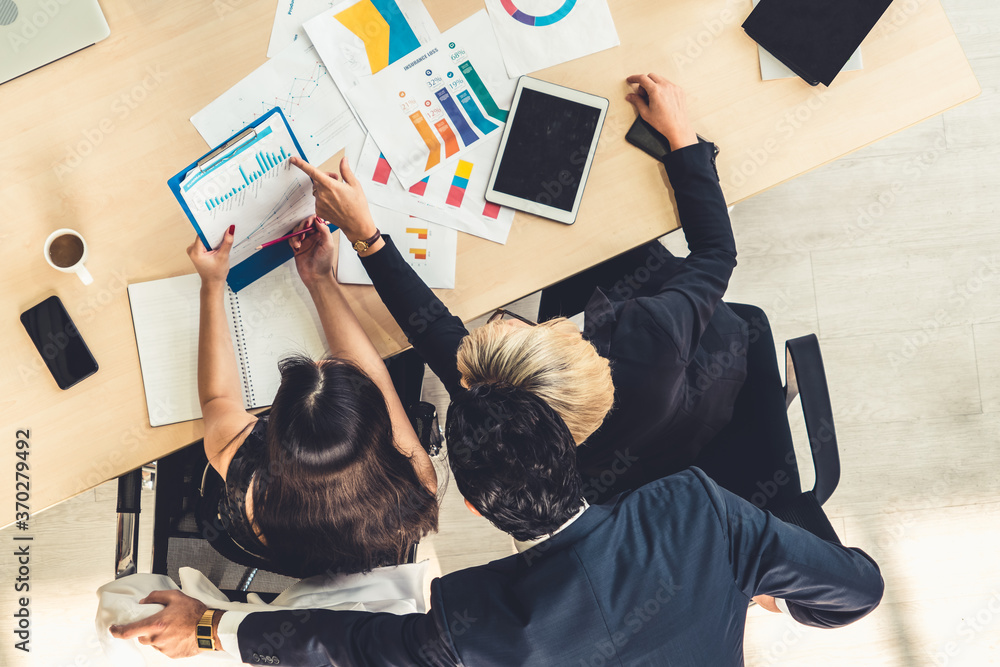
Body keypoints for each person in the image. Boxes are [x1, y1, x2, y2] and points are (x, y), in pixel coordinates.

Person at [109, 384, 884, 664]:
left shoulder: (475, 617)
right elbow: (858, 590)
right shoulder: (698, 510)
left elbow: (347, 643)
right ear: (568, 443)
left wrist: (213, 630)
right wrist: (759, 580)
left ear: (473, 507)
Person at [286, 73, 748, 505]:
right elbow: (715, 253)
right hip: (676, 378)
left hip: (686, 391)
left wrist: (364, 241)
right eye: (511, 329)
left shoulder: (508, 419)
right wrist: (681, 137)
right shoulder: (645, 336)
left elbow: (436, 334)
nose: (498, 317)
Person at [188, 217, 438, 578]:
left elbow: (216, 398)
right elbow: (375, 376)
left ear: (270, 433)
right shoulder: (416, 482)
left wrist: (212, 284)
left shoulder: (250, 484)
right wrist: (321, 279)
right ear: (378, 424)